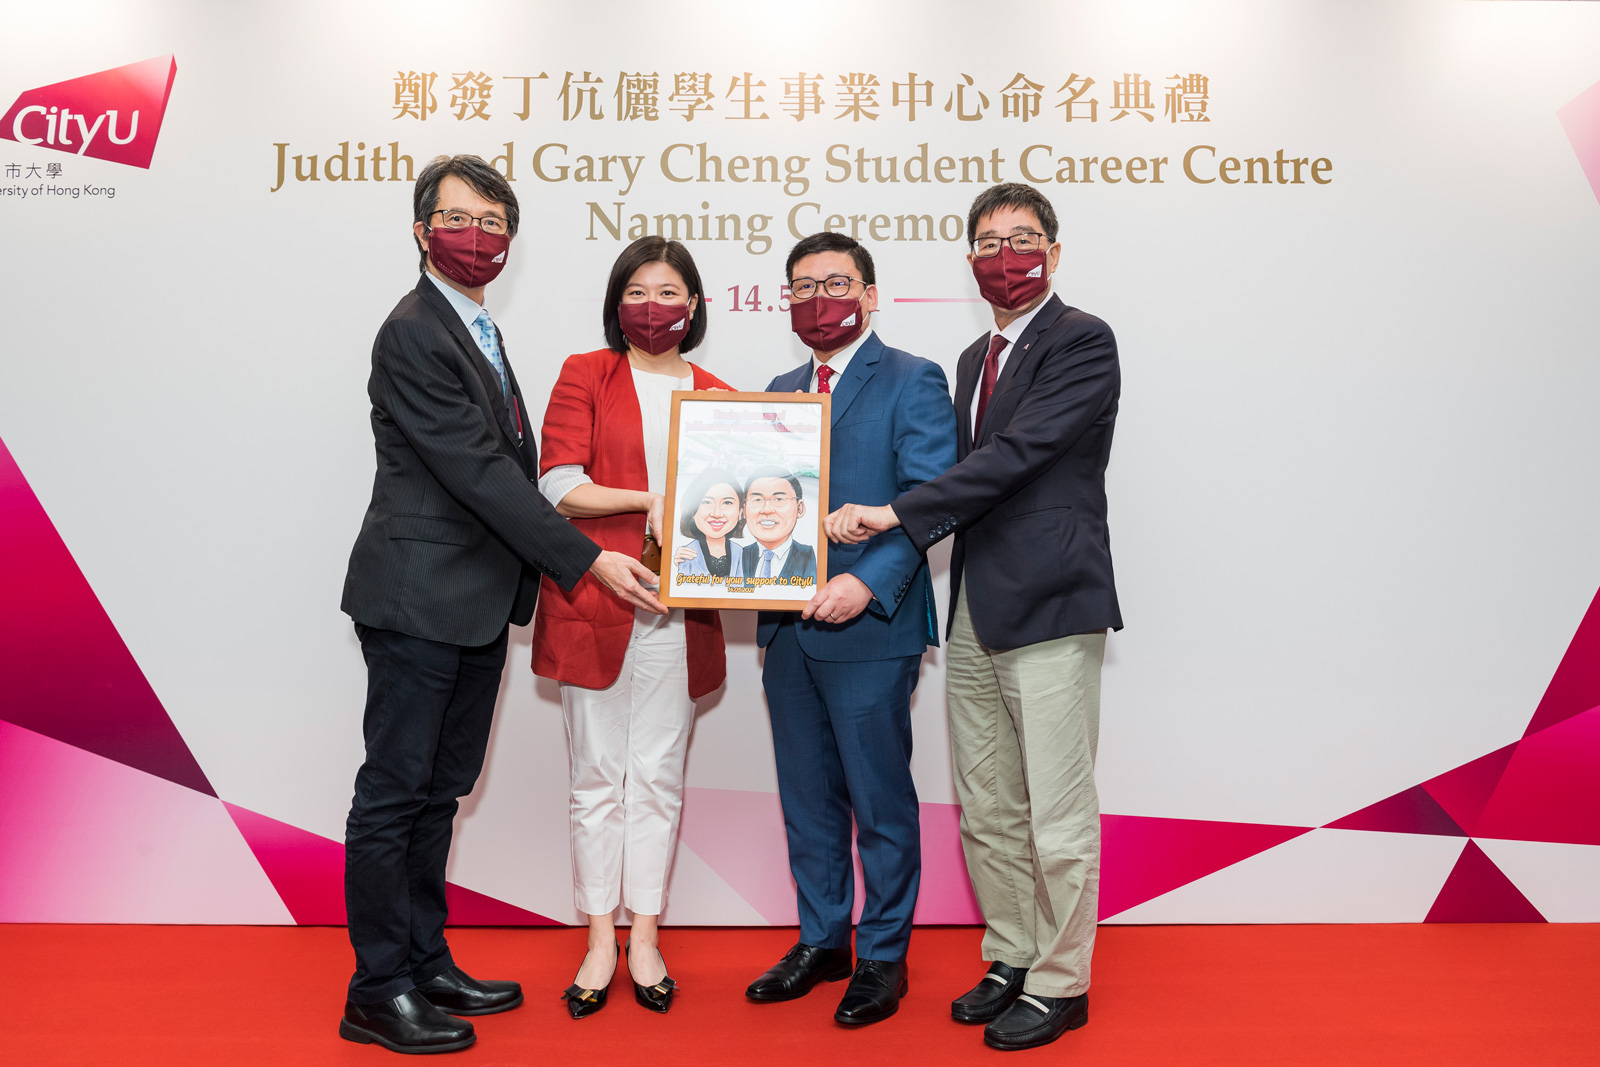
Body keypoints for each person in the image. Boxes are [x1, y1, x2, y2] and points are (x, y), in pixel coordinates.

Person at [339, 155, 662, 1055]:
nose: (477, 236)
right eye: (458, 219)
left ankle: (425, 958)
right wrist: (584, 562)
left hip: (474, 603)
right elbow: (479, 472)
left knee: (439, 793)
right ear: (420, 229)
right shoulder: (414, 330)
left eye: (493, 223)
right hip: (416, 598)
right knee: (395, 794)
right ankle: (377, 987)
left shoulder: (473, 324)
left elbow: (507, 464)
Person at [826, 183, 1122, 1052]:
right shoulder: (967, 360)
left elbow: (1016, 457)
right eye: (988, 241)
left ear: (1055, 252)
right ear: (969, 260)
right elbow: (971, 478)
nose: (1005, 254)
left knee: (1057, 812)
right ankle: (1012, 954)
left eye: (1023, 238)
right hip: (976, 606)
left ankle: (1063, 981)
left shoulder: (1082, 340)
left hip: (1053, 602)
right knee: (988, 802)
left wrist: (894, 512)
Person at [743, 232, 957, 1026]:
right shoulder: (776, 388)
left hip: (872, 629)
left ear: (871, 293)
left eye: (836, 282)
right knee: (808, 799)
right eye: (803, 286)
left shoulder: (913, 379)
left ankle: (885, 954)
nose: (819, 298)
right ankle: (823, 938)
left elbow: (930, 500)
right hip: (786, 632)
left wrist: (865, 584)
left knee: (879, 801)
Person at [533, 236, 734, 1017]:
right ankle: (595, 938)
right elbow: (557, 484)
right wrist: (647, 501)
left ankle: (643, 934)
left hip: (681, 614)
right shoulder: (588, 371)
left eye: (671, 292)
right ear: (618, 303)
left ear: (695, 305)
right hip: (600, 601)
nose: (655, 307)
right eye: (639, 292)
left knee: (656, 778)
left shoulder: (720, 394)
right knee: (594, 781)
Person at [739, 467, 817, 583]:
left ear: (800, 508)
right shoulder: (738, 557)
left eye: (779, 499)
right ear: (744, 510)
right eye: (757, 500)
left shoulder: (812, 557)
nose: (766, 510)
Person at [673, 469, 746, 578]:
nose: (716, 513)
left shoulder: (741, 553)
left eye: (727, 503)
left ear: (740, 511)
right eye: (707, 502)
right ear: (693, 510)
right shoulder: (685, 555)